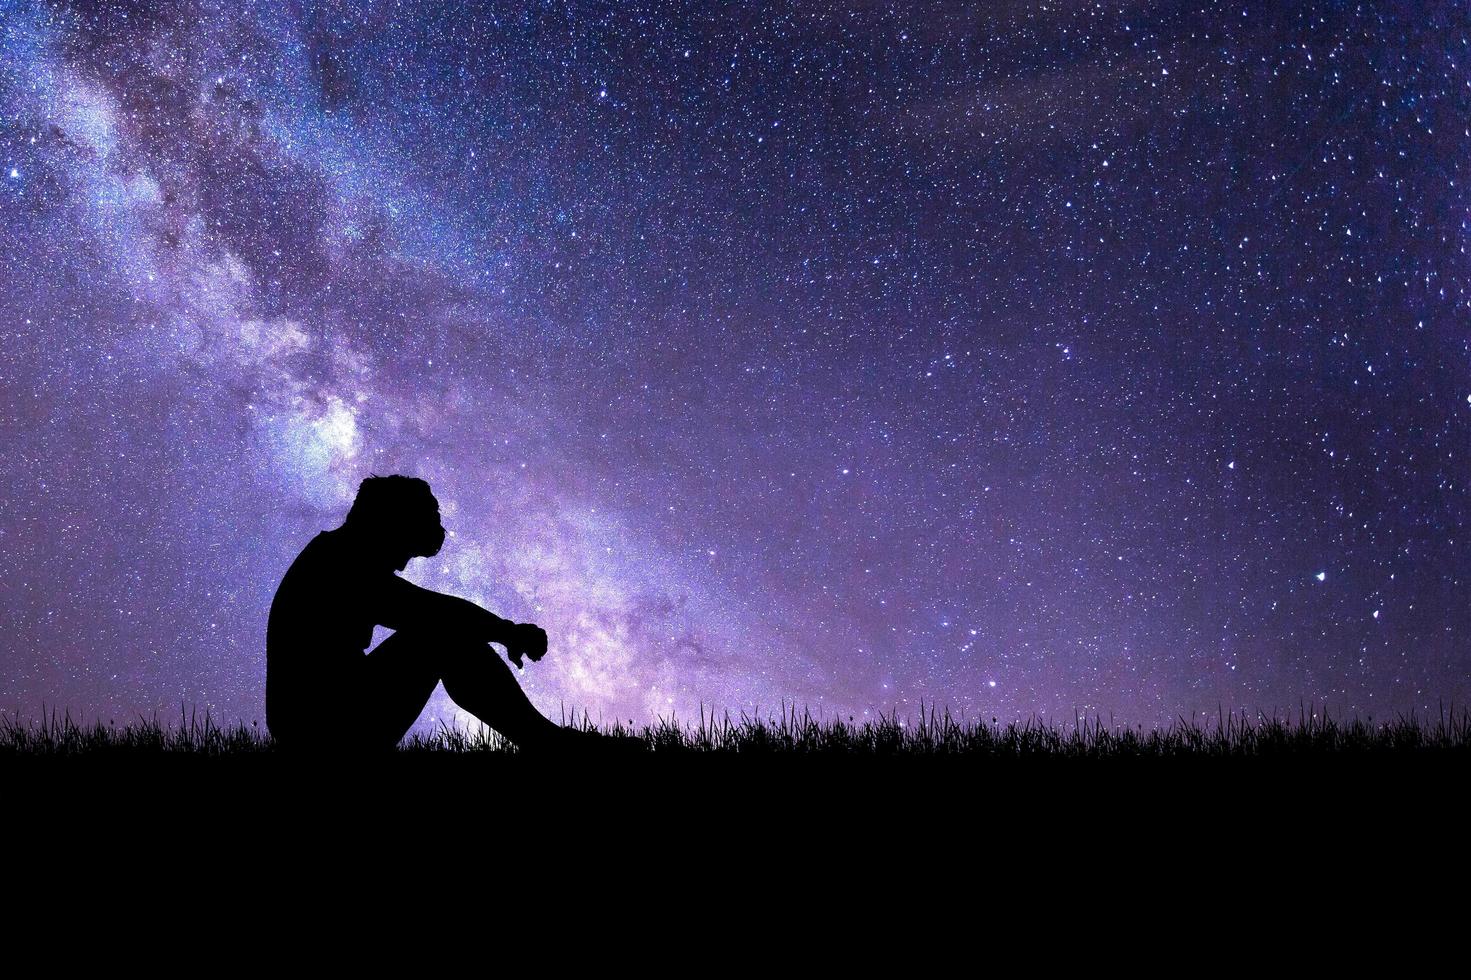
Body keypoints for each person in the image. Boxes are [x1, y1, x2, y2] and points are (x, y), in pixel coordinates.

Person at [265, 473, 623, 754]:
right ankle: (550, 745)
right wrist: (509, 633)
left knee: (444, 632)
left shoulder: (338, 554)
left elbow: (431, 610)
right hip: (320, 730)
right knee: (443, 636)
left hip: (323, 719)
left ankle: (547, 742)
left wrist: (504, 632)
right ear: (391, 523)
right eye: (416, 534)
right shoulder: (342, 563)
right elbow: (435, 612)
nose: (405, 562)